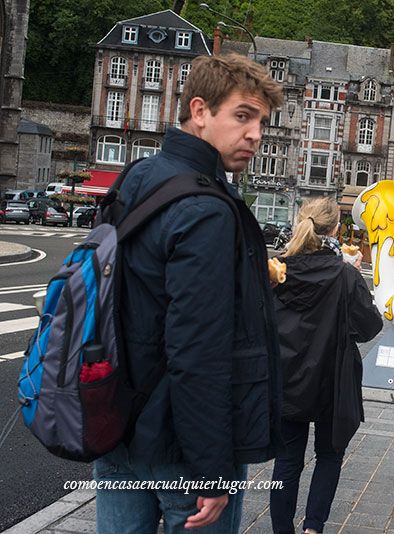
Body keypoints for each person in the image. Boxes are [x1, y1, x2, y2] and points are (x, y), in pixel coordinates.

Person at [93, 54, 284, 533]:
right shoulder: (207, 209)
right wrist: (213, 469)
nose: (256, 134)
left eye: (261, 121)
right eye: (243, 116)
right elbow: (199, 348)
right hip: (182, 446)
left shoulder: (136, 176)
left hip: (116, 424)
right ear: (200, 111)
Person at [270, 198, 383, 534]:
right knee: (329, 456)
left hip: (288, 377)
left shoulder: (278, 268)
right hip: (333, 379)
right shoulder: (345, 275)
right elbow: (370, 327)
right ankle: (313, 527)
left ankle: (281, 530)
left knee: (287, 460)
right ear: (335, 229)